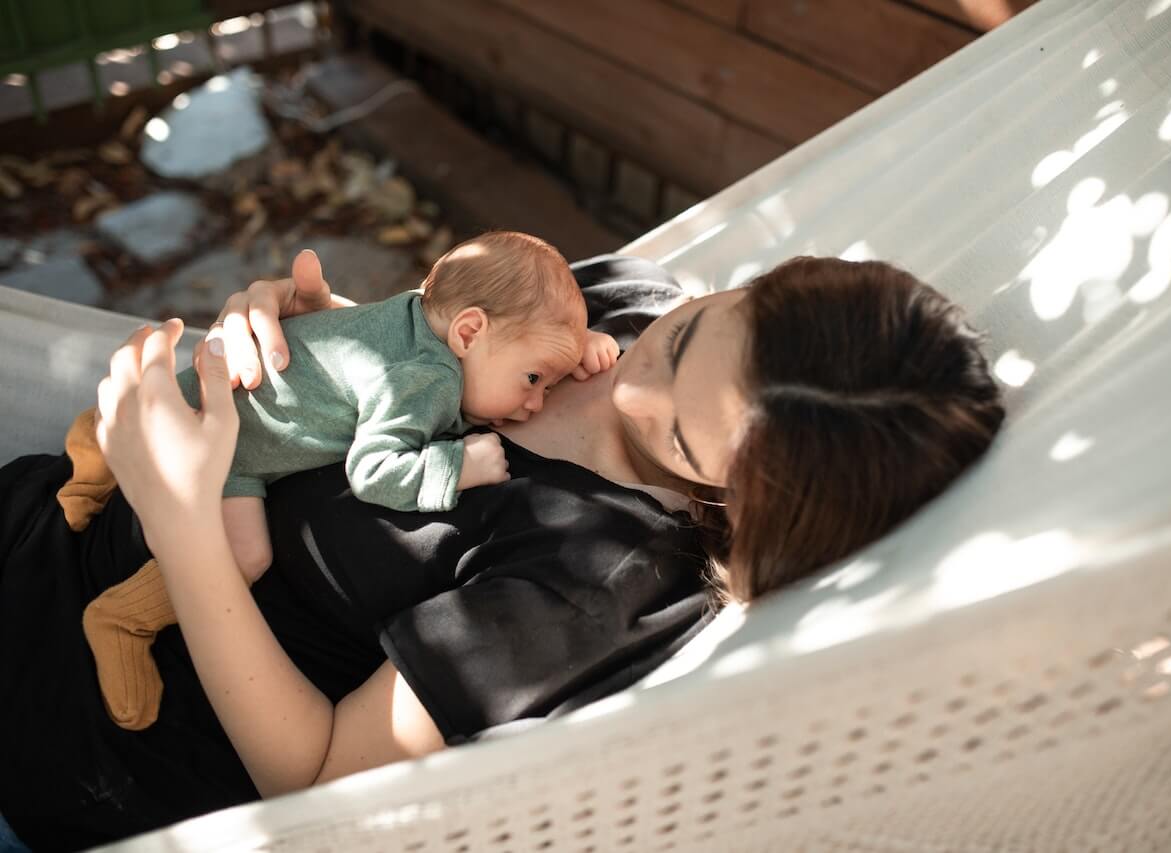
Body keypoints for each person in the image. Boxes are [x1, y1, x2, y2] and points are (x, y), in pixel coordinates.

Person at [0, 251, 1004, 851]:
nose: (625, 387)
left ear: (746, 511)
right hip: (51, 514)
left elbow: (310, 777)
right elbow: (413, 367)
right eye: (689, 334)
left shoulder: (590, 580)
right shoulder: (614, 295)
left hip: (70, 733)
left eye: (683, 442)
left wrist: (185, 531)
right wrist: (304, 331)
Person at [63, 231, 621, 732]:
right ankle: (123, 621)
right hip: (229, 449)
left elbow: (517, 341)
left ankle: (92, 448)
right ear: (469, 331)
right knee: (246, 556)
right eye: (535, 379)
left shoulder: (412, 317)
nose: (535, 401)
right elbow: (373, 472)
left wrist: (574, 350)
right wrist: (460, 466)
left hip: (208, 400)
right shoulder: (421, 381)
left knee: (150, 413)